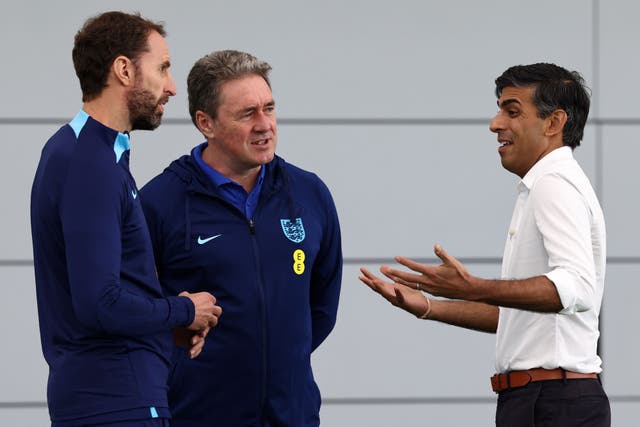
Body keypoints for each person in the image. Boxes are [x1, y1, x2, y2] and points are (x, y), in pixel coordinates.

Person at [359, 63, 610, 426]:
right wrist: (430, 306)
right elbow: (517, 318)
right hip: (546, 401)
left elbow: (578, 288)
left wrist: (473, 287)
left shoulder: (553, 184)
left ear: (553, 123)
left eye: (511, 111)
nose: (495, 124)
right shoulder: (547, 183)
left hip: (551, 403)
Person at [30, 11, 221, 427]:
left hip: (114, 397)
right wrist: (182, 311)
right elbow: (99, 304)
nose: (171, 87)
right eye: (163, 68)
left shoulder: (87, 154)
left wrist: (163, 325)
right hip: (116, 403)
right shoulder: (89, 163)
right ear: (123, 70)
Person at [140, 49, 343, 427]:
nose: (264, 124)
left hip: (292, 415)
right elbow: (139, 313)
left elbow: (321, 307)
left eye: (269, 108)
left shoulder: (309, 193)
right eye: (247, 114)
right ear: (206, 123)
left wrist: (274, 365)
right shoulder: (159, 203)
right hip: (195, 415)